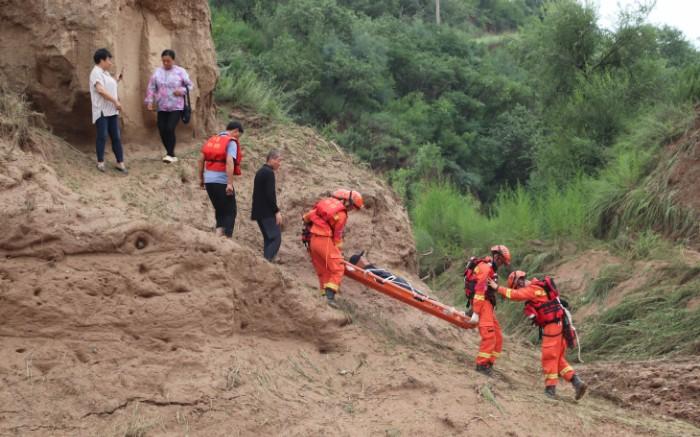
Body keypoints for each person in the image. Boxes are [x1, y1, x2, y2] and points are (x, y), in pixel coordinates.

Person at [489, 271, 587, 400]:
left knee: (549, 357)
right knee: (557, 359)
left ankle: (550, 390)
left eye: (517, 286)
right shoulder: (539, 286)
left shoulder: (532, 289)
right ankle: (576, 382)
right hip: (561, 326)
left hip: (552, 328)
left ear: (519, 282)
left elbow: (515, 295)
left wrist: (497, 288)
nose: (518, 288)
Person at [302, 189, 364, 308]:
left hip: (312, 241)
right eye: (352, 207)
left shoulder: (325, 207)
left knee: (324, 270)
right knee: (338, 267)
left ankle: (324, 296)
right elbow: (337, 236)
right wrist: (338, 252)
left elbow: (307, 217)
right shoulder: (341, 214)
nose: (351, 210)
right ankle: (330, 298)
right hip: (324, 240)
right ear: (347, 202)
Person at [464, 245, 511, 376]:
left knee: (498, 338)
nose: (501, 264)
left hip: (488, 305)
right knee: (489, 336)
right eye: (501, 261)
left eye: (503, 262)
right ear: (496, 256)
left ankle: (489, 363)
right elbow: (479, 291)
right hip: (482, 304)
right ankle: (481, 365)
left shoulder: (491, 269)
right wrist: (476, 312)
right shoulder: (485, 268)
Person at [144, 49, 193, 163]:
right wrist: (150, 101)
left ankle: (170, 154)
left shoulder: (180, 71)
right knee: (162, 129)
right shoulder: (157, 72)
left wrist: (181, 90)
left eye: (168, 61)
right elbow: (151, 87)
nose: (166, 63)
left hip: (176, 106)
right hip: (162, 106)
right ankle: (170, 153)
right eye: (164, 61)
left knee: (170, 128)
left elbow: (190, 86)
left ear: (173, 60)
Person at [198, 121, 244, 238]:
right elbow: (229, 162)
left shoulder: (212, 140)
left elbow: (200, 160)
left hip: (209, 181)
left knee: (220, 210)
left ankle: (218, 237)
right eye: (239, 135)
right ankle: (226, 240)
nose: (238, 138)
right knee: (230, 211)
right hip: (222, 181)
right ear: (236, 131)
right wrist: (229, 183)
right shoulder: (231, 142)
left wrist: (201, 178)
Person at [89, 48, 127, 173]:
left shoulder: (105, 73)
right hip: (101, 111)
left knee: (116, 136)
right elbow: (100, 90)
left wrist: (116, 79)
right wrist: (115, 101)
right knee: (103, 135)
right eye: (109, 59)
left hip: (111, 111)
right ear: (102, 60)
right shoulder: (96, 72)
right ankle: (100, 162)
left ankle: (120, 163)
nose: (110, 62)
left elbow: (108, 85)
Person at [252, 150, 283, 261]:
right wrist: (276, 211)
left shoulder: (261, 171)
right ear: (271, 159)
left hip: (259, 211)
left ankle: (266, 263)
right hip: (266, 212)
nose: (280, 163)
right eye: (279, 160)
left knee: (269, 239)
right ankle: (266, 263)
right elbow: (270, 195)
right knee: (276, 238)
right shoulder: (269, 173)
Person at [348, 251, 418, 293]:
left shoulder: (369, 269)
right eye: (361, 257)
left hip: (396, 281)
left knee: (417, 293)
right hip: (395, 283)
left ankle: (428, 299)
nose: (364, 258)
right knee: (417, 295)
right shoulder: (367, 271)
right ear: (358, 263)